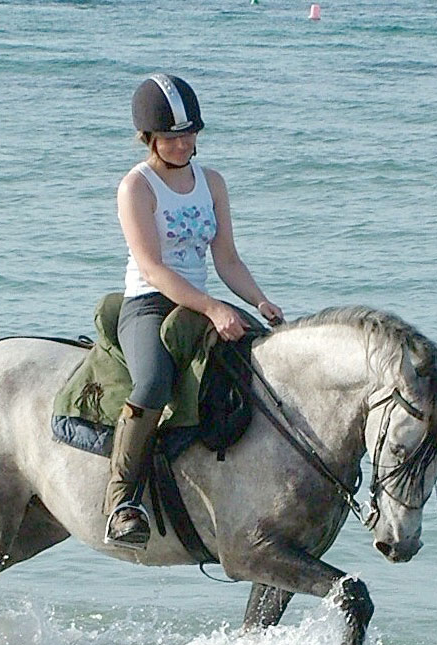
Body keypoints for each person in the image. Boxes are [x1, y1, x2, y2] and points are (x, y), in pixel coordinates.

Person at [104, 73, 284, 549]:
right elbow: (152, 267)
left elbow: (226, 258)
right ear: (149, 138)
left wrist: (258, 301)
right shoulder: (136, 187)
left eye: (190, 134)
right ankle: (121, 500)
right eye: (172, 137)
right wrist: (212, 309)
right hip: (148, 302)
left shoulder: (212, 182)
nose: (184, 144)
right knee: (154, 382)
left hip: (202, 304)